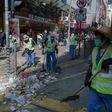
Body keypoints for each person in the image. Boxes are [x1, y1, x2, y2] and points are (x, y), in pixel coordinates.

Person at [84, 26, 112, 112]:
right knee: (91, 108)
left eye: (98, 37)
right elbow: (92, 65)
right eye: (95, 37)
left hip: (109, 91)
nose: (96, 39)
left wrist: (110, 61)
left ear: (105, 38)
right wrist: (88, 76)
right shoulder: (95, 50)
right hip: (94, 87)